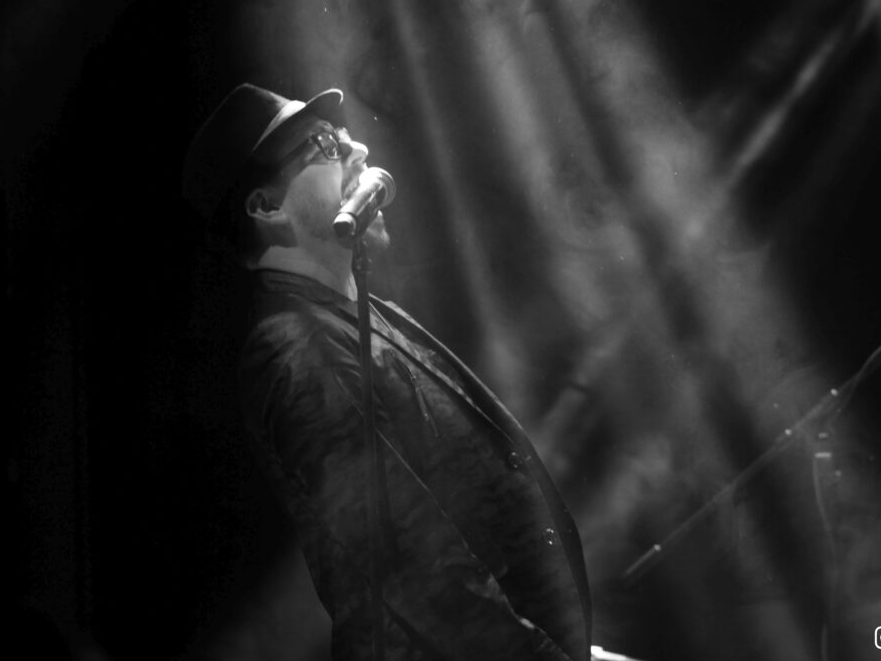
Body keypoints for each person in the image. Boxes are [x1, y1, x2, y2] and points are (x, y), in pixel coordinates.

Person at [182, 83, 592, 660]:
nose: (359, 150)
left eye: (344, 135)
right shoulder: (292, 349)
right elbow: (418, 571)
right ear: (267, 208)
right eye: (325, 145)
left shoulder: (367, 313)